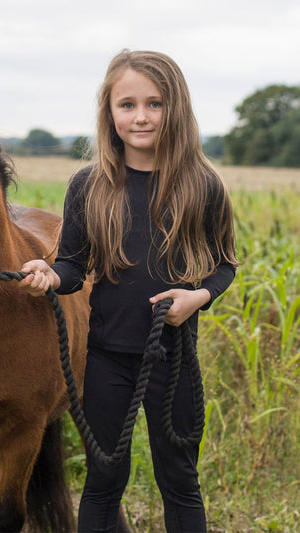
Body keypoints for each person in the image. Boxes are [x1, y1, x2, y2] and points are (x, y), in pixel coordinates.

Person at [18, 49, 238, 533]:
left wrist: (197, 297)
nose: (141, 116)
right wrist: (50, 275)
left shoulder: (203, 185)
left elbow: (224, 266)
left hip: (174, 357)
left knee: (179, 479)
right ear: (109, 112)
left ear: (175, 108)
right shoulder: (88, 186)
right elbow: (73, 266)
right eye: (127, 104)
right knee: (103, 480)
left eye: (155, 104)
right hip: (108, 360)